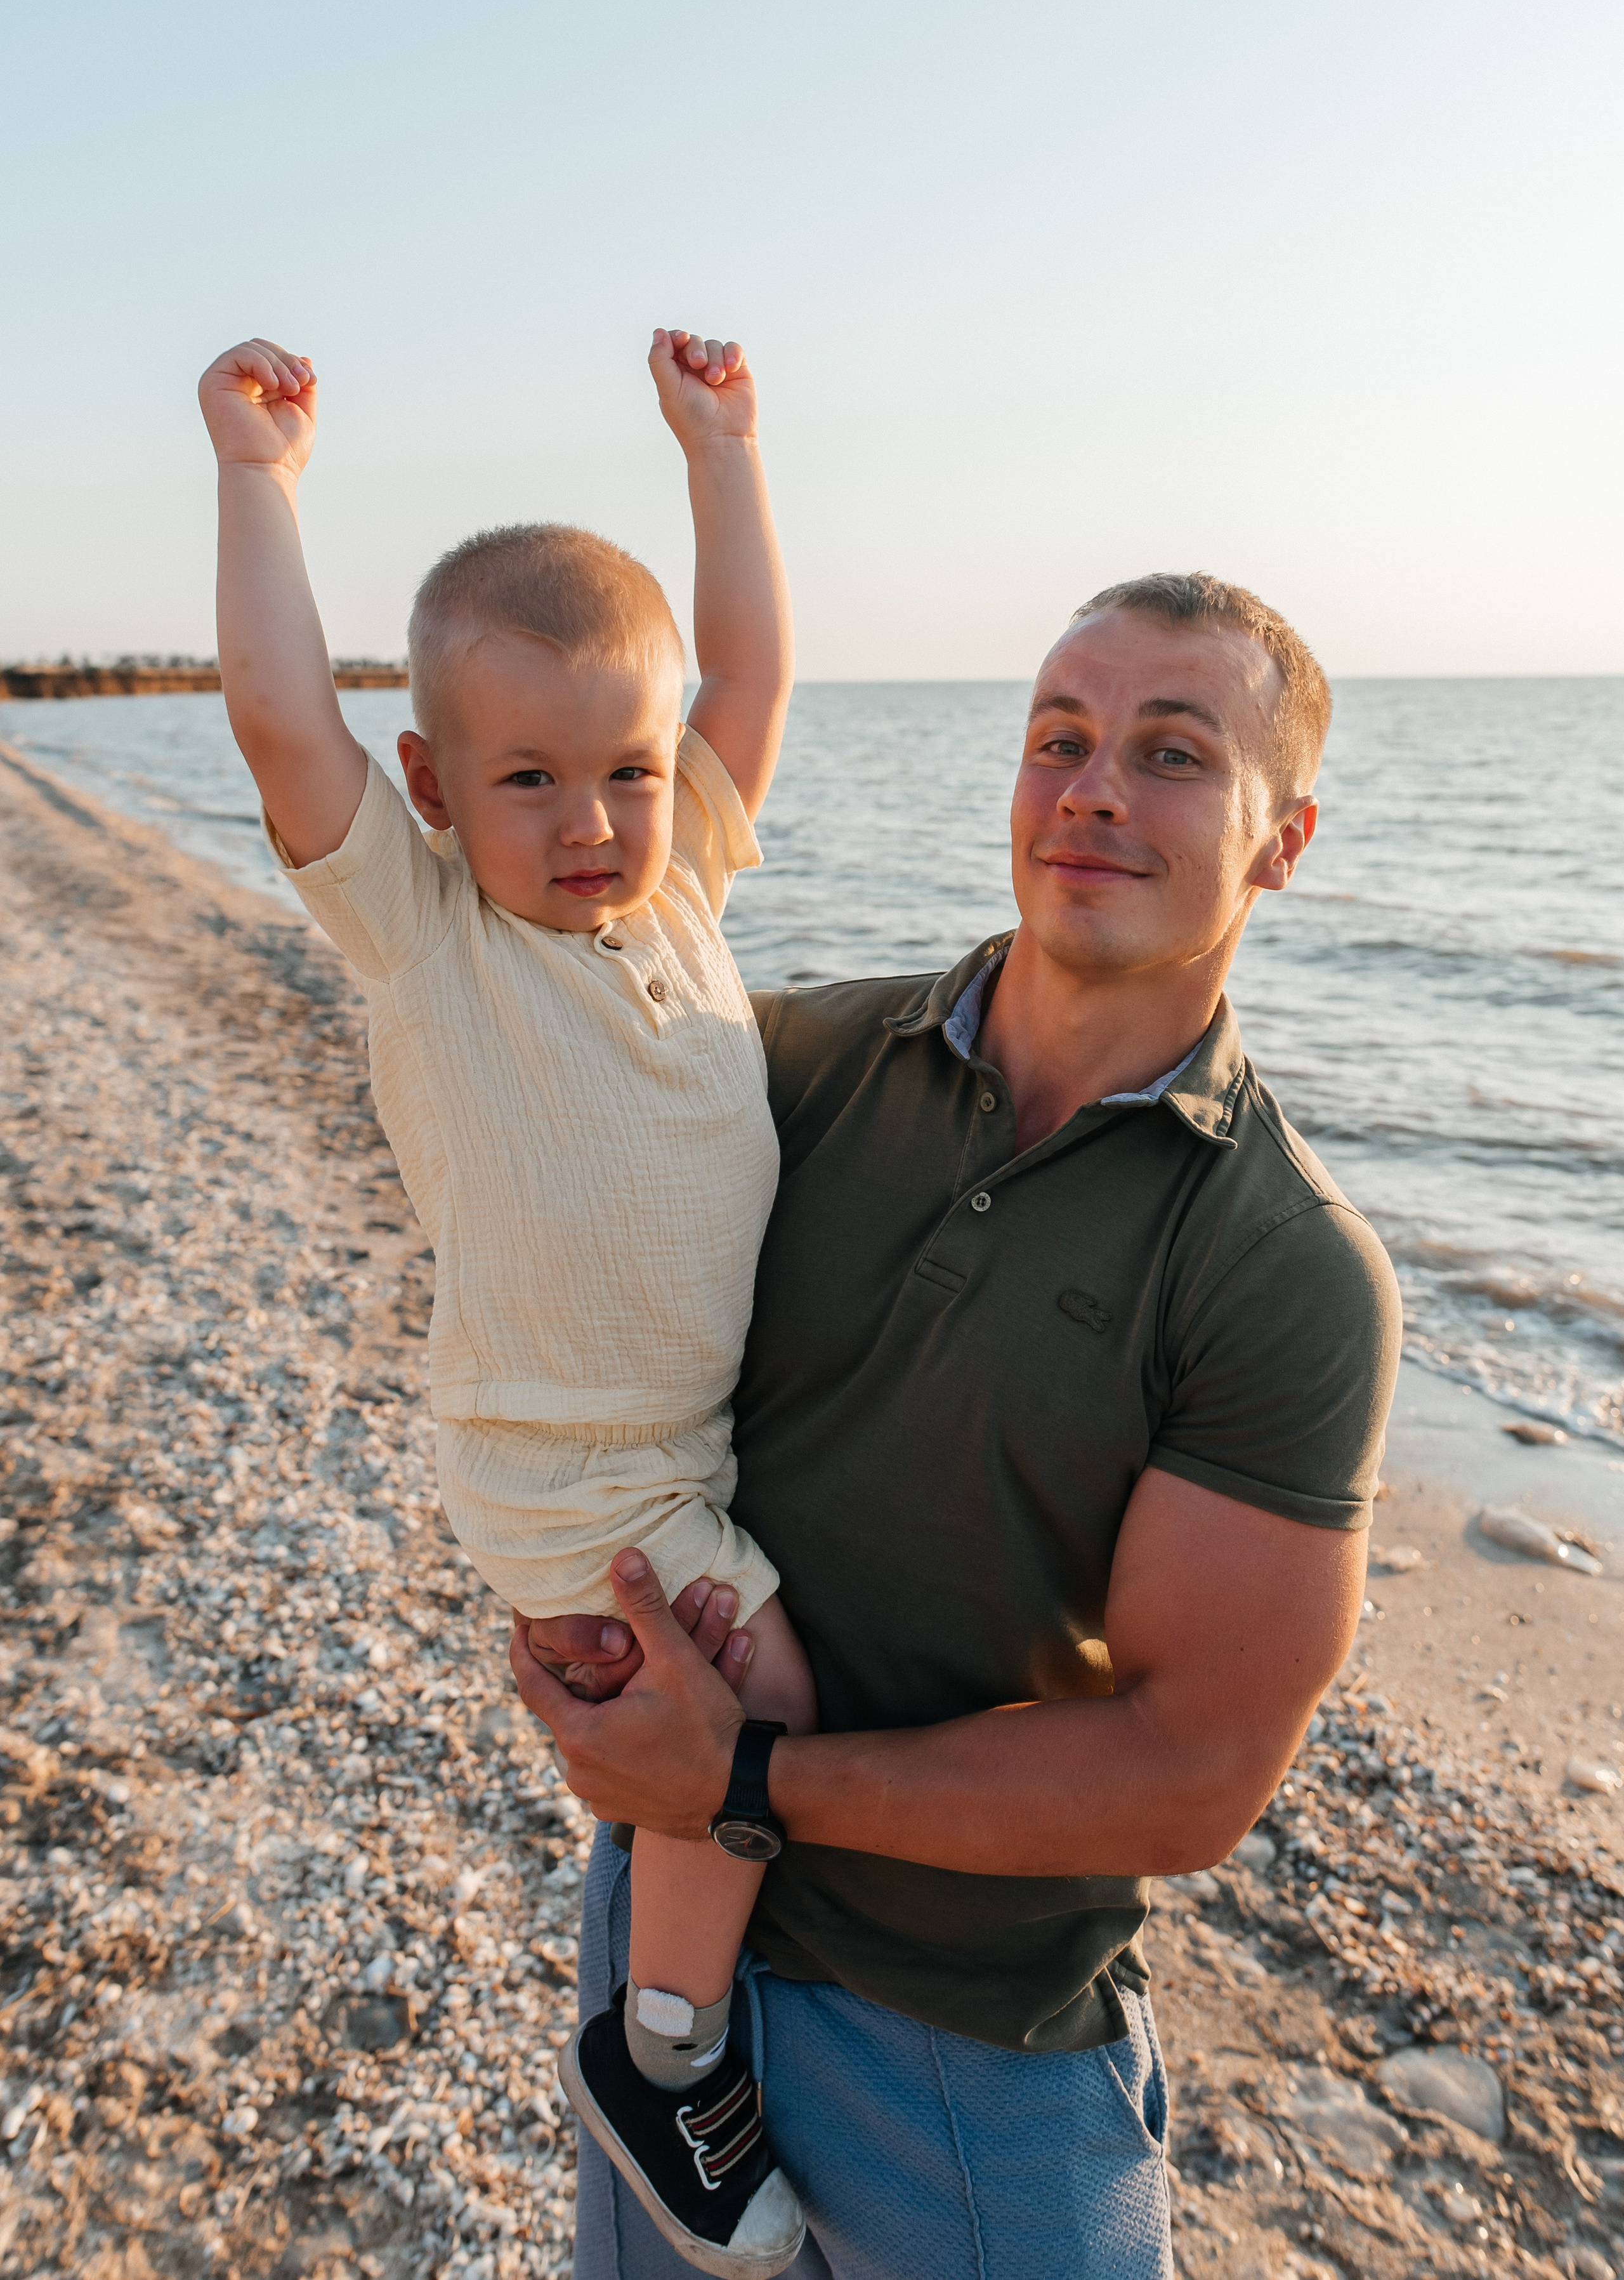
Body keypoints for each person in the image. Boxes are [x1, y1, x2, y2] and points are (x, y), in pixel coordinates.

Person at [512, 572, 1405, 2280]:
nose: (1093, 787)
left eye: (1172, 753)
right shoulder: (792, 1060)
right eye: (1059, 737)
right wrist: (550, 1555)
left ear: (1283, 842)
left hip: (968, 2033)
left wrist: (752, 1772)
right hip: (668, 1943)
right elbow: (564, 1228)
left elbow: (1187, 1771)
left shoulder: (1285, 1268)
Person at [197, 329, 821, 2277]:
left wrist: (722, 452)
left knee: (720, 1740)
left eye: (627, 772)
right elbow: (281, 719)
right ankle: (666, 2048)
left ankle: (678, 2008)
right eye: (530, 779)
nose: (591, 825)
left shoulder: (685, 883)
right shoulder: (428, 925)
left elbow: (753, 676)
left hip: (674, 1453)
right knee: (761, 1714)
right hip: (568, 1475)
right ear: (433, 786)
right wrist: (259, 482)